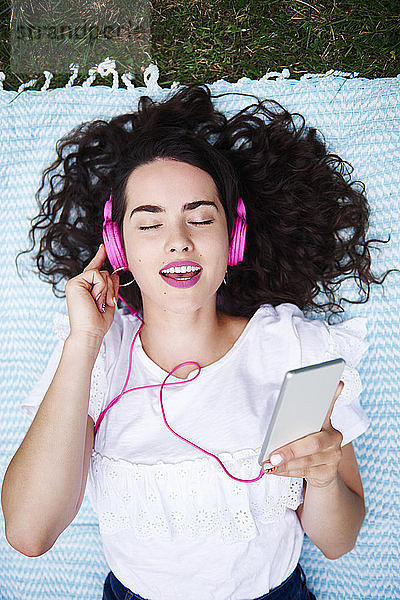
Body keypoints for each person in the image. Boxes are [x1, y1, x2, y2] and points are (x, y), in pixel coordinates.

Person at [2, 83, 395, 600]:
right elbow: (30, 534)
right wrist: (84, 341)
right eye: (149, 224)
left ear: (233, 237)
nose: (178, 240)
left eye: (201, 217)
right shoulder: (93, 353)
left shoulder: (294, 349)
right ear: (117, 245)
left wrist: (322, 480)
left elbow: (339, 542)